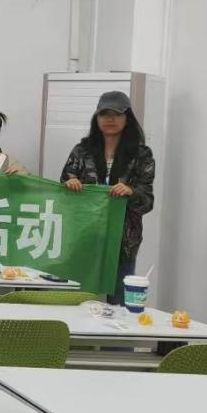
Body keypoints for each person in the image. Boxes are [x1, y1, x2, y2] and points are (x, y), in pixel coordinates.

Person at [60, 91, 156, 305]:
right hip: (84, 236)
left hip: (122, 240)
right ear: (97, 117)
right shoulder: (82, 150)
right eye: (104, 114)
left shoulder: (141, 154)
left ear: (127, 118)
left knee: (120, 301)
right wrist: (70, 183)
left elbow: (147, 200)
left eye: (116, 114)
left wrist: (130, 191)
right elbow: (64, 186)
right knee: (79, 298)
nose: (110, 119)